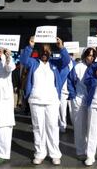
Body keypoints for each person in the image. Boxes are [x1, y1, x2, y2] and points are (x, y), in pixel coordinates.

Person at [20, 36, 70, 165]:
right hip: (36, 100)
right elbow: (23, 60)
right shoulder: (33, 62)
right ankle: (40, 153)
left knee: (52, 127)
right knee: (38, 128)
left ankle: (55, 154)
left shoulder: (54, 63)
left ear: (50, 52)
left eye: (47, 51)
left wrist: (61, 47)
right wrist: (30, 46)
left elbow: (66, 61)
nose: (45, 53)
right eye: (42, 51)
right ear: (39, 52)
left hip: (52, 100)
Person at [67, 47, 96, 160]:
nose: (91, 58)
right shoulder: (78, 67)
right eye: (89, 55)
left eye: (93, 56)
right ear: (85, 56)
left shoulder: (96, 67)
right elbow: (70, 80)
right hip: (79, 100)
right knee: (79, 127)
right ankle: (80, 152)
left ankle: (89, 152)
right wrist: (73, 95)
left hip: (92, 101)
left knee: (90, 127)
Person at [58, 53, 75, 133]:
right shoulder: (61, 64)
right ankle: (62, 126)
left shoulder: (76, 64)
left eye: (71, 54)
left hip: (72, 91)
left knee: (73, 111)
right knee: (62, 111)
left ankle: (75, 126)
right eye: (68, 54)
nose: (70, 55)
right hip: (63, 91)